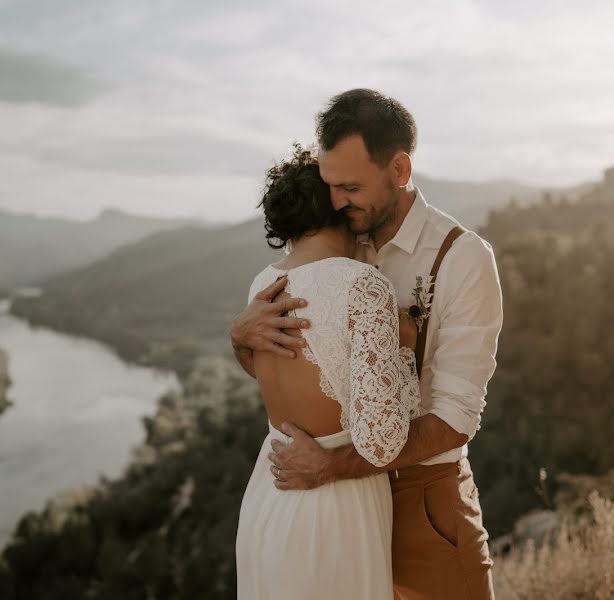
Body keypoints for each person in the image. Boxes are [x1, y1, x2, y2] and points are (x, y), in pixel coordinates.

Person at [232, 89, 504, 599]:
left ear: (399, 170)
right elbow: (316, 370)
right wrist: (242, 339)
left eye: (351, 186)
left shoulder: (463, 258)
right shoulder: (335, 239)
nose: (335, 201)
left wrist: (333, 467)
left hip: (422, 503)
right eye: (330, 185)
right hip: (327, 505)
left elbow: (456, 417)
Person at [234, 144, 422, 599]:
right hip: (333, 502)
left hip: (269, 491)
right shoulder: (363, 286)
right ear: (339, 208)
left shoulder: (264, 283)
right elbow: (382, 442)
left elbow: (270, 371)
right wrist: (407, 346)